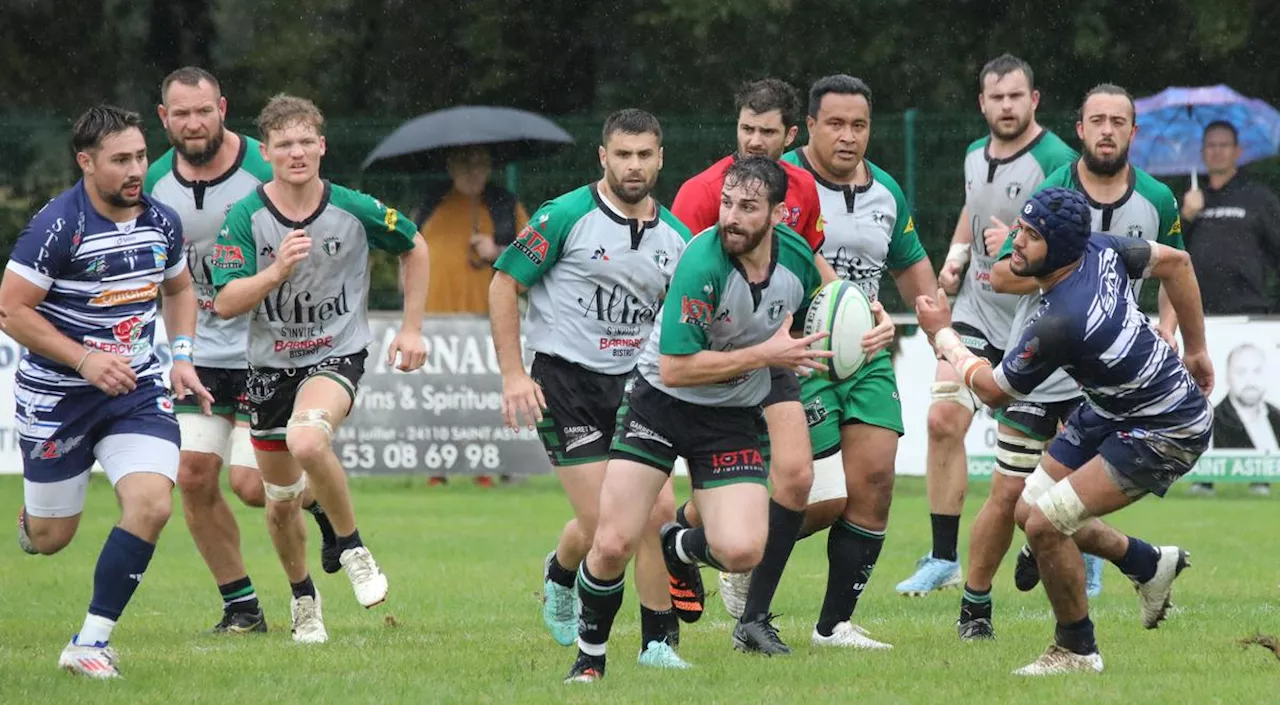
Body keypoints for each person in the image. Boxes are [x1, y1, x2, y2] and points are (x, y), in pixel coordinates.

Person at [917, 187, 1207, 675]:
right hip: (1115, 407)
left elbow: (991, 392)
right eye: (1020, 229)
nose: (1016, 243)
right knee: (1028, 507)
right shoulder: (1103, 247)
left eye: (1030, 236)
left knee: (1046, 526)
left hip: (1167, 427)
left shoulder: (1059, 321)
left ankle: (1076, 649)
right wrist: (1196, 349)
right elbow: (1177, 263)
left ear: (1061, 249)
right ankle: (1146, 563)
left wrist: (943, 334)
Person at [564, 156, 829, 682]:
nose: (730, 216)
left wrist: (869, 322)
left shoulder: (797, 257)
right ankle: (588, 660)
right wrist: (764, 356)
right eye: (727, 202)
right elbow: (677, 369)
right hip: (659, 406)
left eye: (748, 207)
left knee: (741, 551)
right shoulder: (701, 262)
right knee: (613, 542)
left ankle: (676, 544)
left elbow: (835, 298)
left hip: (729, 418)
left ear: (777, 214)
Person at [211, 94, 430, 644]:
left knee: (308, 441)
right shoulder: (244, 217)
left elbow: (415, 246)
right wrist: (275, 272)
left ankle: (352, 545)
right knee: (280, 504)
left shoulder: (353, 207)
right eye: (284, 144)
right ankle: (304, 598)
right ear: (267, 152)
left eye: (306, 140)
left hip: (337, 354)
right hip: (268, 369)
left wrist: (412, 328)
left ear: (323, 146)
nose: (297, 151)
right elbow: (227, 300)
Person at [2, 105, 212, 678]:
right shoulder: (56, 227)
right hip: (58, 399)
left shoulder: (161, 221)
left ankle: (90, 643)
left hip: (136, 391)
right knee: (50, 539)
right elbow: (10, 309)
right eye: (121, 159)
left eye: (141, 156)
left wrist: (183, 357)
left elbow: (179, 288)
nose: (135, 169)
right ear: (86, 162)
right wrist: (84, 358)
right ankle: (34, 519)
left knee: (151, 503)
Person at [723, 74, 930, 653]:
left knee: (876, 483)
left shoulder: (887, 191)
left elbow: (918, 279)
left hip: (865, 356)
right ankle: (721, 544)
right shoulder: (773, 182)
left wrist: (934, 340)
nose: (847, 137)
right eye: (834, 124)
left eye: (858, 125)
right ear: (808, 126)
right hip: (796, 353)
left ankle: (834, 625)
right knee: (817, 493)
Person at [490, 109, 692, 667]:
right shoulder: (564, 216)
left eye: (644, 154)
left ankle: (658, 644)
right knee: (608, 525)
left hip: (638, 387)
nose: (633, 165)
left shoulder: (678, 238)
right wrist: (513, 374)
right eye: (622, 154)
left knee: (653, 512)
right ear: (603, 157)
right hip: (566, 385)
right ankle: (562, 573)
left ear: (660, 159)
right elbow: (504, 284)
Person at [144, 66, 338, 635]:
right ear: (165, 119)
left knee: (253, 487)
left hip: (268, 350)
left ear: (222, 108)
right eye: (180, 113)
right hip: (197, 351)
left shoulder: (269, 161)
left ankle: (322, 501)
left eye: (203, 110)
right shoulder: (153, 180)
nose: (193, 122)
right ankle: (242, 607)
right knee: (194, 475)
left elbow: (322, 233)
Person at [668, 78, 850, 642]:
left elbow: (819, 274)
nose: (753, 140)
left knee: (799, 484)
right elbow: (676, 295)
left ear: (790, 136)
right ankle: (680, 544)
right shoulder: (700, 193)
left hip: (775, 358)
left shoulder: (803, 193)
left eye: (766, 132)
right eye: (745, 128)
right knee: (729, 521)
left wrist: (862, 316)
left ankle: (753, 620)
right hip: (708, 364)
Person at [898, 54, 1078, 598]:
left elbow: (1070, 250)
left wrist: (1015, 254)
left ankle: (1076, 544)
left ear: (1034, 100)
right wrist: (956, 255)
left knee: (1063, 444)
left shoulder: (1056, 159)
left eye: (1016, 96)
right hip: (976, 312)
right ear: (982, 103)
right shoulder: (975, 153)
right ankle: (941, 556)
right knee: (942, 420)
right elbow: (971, 209)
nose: (1006, 106)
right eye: (996, 97)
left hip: (1035, 318)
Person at [999, 83, 1185, 595]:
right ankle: (975, 589)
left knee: (1051, 510)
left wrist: (1170, 329)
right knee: (1016, 499)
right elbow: (1001, 274)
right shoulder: (1054, 188)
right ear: (1080, 129)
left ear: (1132, 131)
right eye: (1097, 120)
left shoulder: (1158, 197)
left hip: (1119, 370)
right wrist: (1051, 277)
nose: (1107, 130)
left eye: (1117, 121)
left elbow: (1175, 268)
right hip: (1050, 354)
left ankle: (1077, 636)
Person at [414, 144, 530, 487]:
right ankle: (438, 470)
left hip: (489, 322)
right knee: (438, 399)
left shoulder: (506, 205)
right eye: (465, 161)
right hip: (435, 320)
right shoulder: (430, 204)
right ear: (450, 165)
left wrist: (496, 250)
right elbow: (408, 253)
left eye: (480, 161)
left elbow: (533, 258)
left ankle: (490, 467)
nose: (472, 169)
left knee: (485, 396)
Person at [1181, 120, 1280, 496]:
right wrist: (1187, 216)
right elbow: (1172, 253)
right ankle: (1201, 473)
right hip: (1200, 318)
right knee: (1203, 396)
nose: (1217, 151)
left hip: (1250, 316)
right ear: (1203, 152)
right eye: (1211, 145)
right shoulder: (1192, 200)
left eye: (1225, 145)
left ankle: (1259, 472)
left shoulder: (1258, 198)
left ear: (1237, 151)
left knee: (1253, 391)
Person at [1211, 344, 1280, 449]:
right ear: (1227, 377)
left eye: (1257, 371)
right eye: (1241, 372)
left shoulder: (1276, 416)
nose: (1250, 379)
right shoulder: (1211, 424)